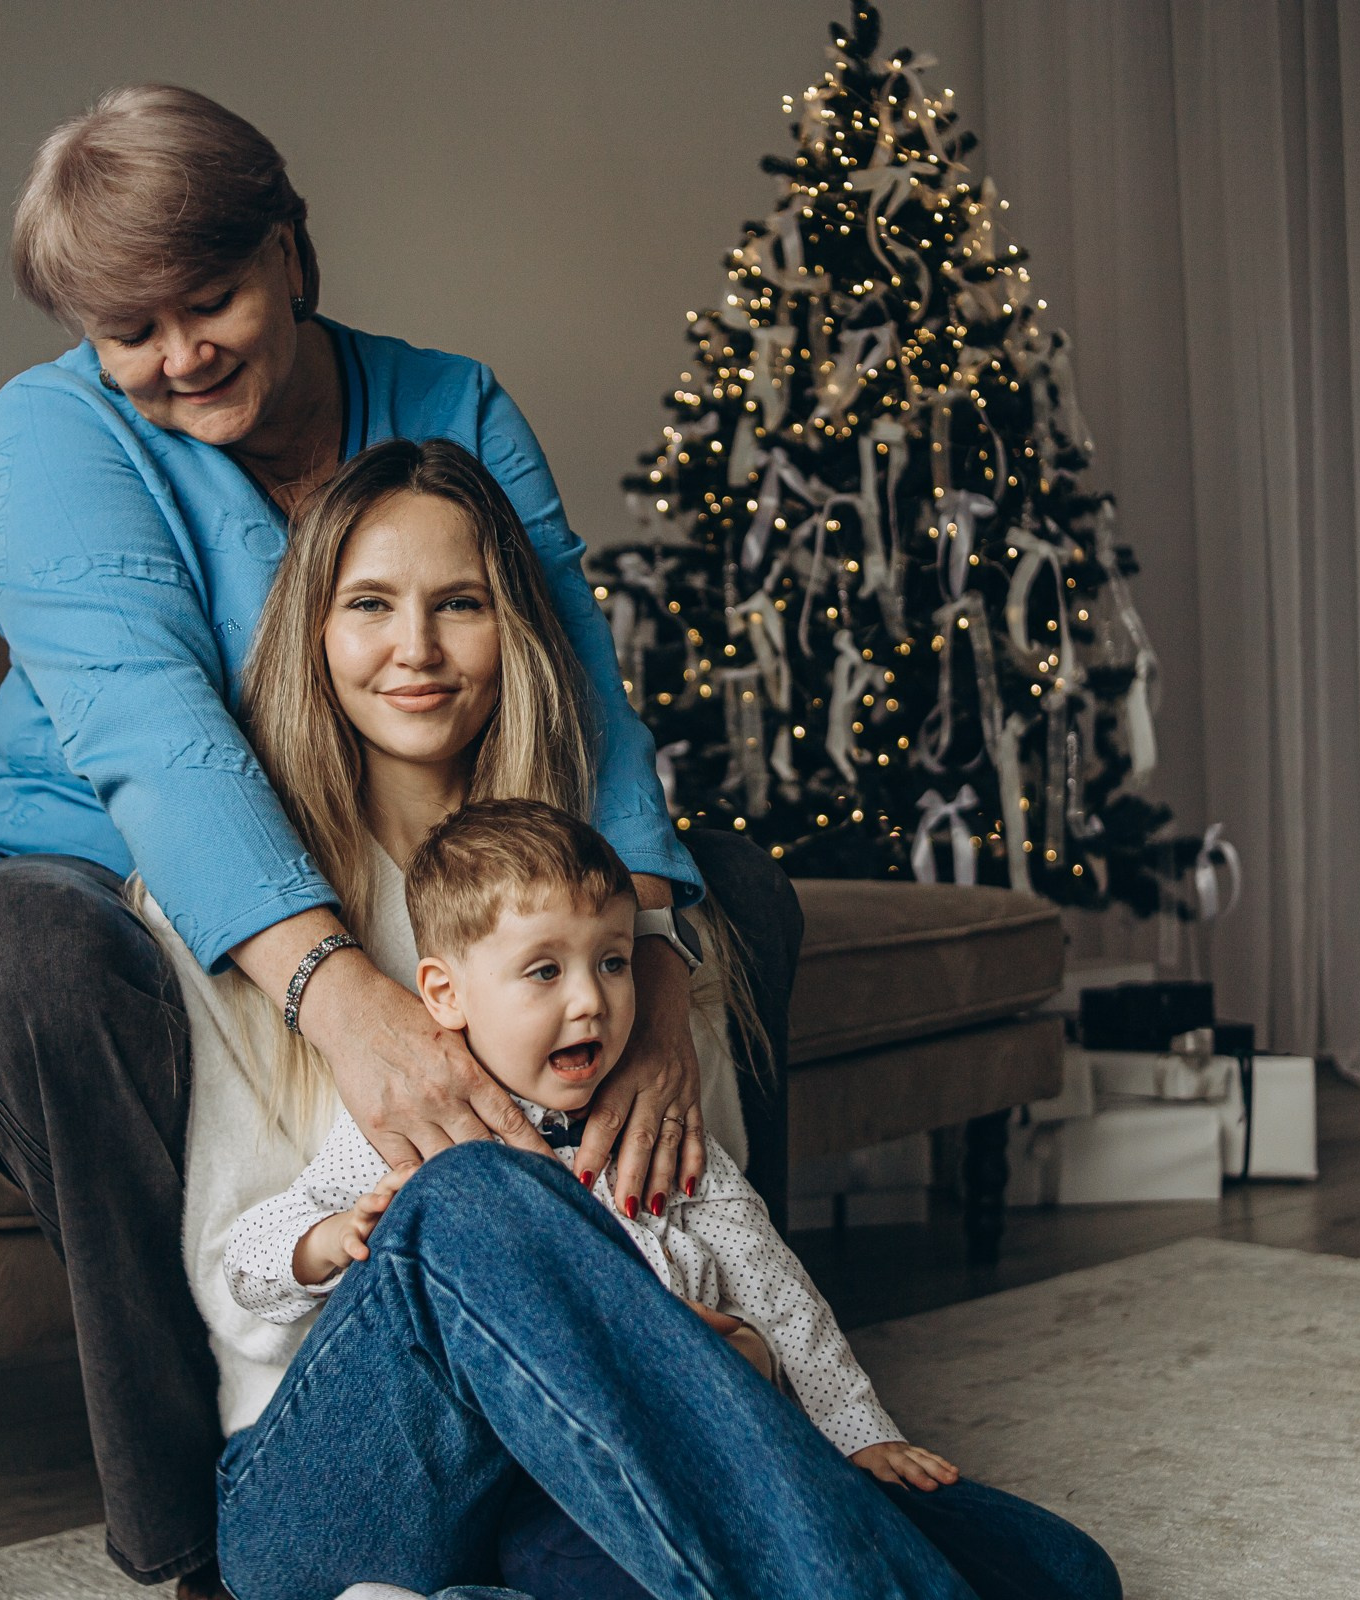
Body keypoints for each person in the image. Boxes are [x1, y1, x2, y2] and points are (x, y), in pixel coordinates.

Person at [0, 85, 799, 1595]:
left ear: (292, 253)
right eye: (132, 330)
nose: (179, 356)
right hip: (62, 866)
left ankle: (751, 1379)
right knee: (44, 964)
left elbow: (576, 676)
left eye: (212, 299)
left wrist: (649, 964)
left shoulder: (454, 401)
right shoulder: (50, 432)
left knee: (748, 894)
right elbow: (151, 734)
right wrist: (340, 992)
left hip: (401, 831)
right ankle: (190, 1537)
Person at [180, 437, 1119, 1599]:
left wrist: (763, 1371)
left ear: (513, 630)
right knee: (473, 1190)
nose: (416, 647)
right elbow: (237, 1273)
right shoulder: (245, 903)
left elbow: (741, 1258)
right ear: (315, 634)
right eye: (370, 602)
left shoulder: (605, 897)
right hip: (338, 1477)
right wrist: (343, 1241)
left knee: (1059, 1572)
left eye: (459, 603)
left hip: (585, 1460)